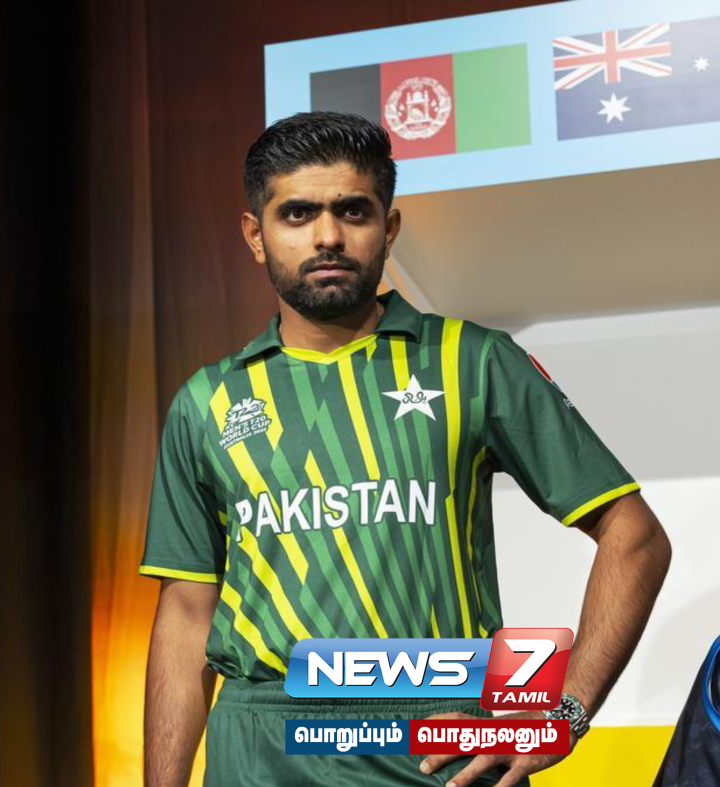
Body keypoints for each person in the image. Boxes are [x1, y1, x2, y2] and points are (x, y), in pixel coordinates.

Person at [140, 111, 671, 787]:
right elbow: (187, 614)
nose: (328, 236)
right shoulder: (206, 402)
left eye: (353, 211)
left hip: (435, 749)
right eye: (298, 213)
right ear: (255, 234)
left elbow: (635, 536)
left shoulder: (473, 361)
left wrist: (562, 714)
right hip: (259, 750)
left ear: (388, 229)